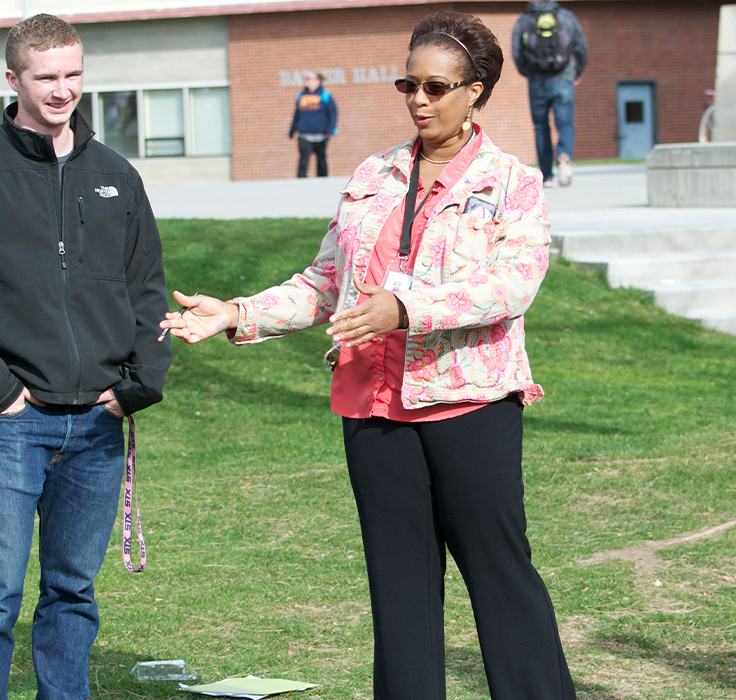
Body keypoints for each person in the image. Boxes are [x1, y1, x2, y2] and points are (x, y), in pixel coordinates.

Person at [162, 11, 575, 699]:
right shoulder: (372, 175)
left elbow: (512, 285)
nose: (419, 99)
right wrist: (237, 314)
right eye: (407, 84)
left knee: (502, 580)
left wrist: (407, 309)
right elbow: (324, 283)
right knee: (400, 596)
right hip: (373, 413)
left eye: (437, 86)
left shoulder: (513, 183)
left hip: (467, 408)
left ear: (476, 90)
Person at [0, 14, 170, 699]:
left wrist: (140, 383)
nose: (63, 91)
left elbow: (146, 287)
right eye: (46, 77)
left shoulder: (115, 174)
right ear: (13, 79)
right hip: (11, 423)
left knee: (73, 590)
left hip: (100, 423)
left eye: (73, 75)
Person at [511, 0, 587, 188]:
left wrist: (527, 72)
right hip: (564, 78)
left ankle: (547, 176)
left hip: (537, 81)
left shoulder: (524, 20)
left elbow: (516, 52)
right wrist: (576, 72)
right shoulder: (566, 17)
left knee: (540, 127)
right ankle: (564, 157)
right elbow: (581, 46)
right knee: (565, 124)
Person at [289, 70, 338, 178]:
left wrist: (330, 129)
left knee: (321, 160)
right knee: (303, 160)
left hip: (321, 135)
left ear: (318, 81)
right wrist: (292, 130)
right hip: (304, 134)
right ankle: (301, 182)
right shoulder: (301, 95)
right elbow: (297, 114)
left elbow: (333, 113)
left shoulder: (325, 95)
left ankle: (323, 182)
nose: (308, 81)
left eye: (310, 78)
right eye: (307, 78)